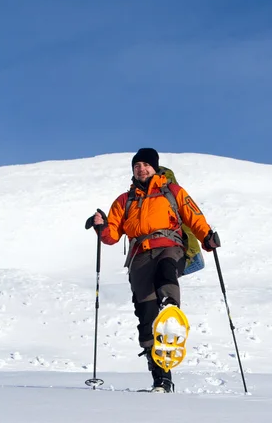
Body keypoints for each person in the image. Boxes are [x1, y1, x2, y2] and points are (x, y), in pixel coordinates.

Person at [88, 148, 220, 392]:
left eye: (146, 164)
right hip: (139, 256)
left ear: (155, 167)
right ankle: (162, 378)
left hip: (170, 245)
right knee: (146, 316)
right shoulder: (124, 201)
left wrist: (207, 237)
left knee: (166, 268)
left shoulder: (171, 191)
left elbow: (194, 216)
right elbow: (113, 236)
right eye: (137, 165)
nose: (141, 168)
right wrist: (101, 227)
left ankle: (170, 307)